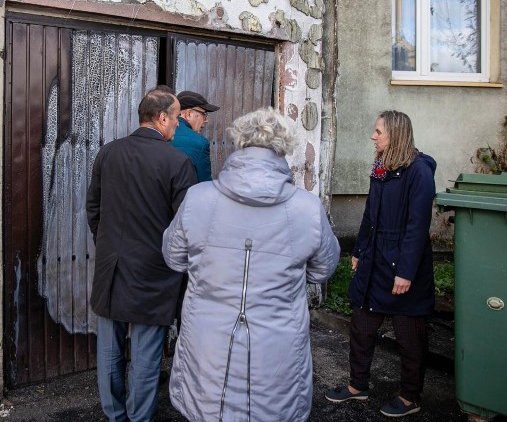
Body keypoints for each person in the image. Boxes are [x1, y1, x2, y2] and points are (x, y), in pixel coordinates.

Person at [162, 107, 340, 422]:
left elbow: (174, 257)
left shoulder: (198, 199)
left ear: (239, 143)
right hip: (277, 348)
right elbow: (322, 269)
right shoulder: (308, 209)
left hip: (208, 348)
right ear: (283, 147)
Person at [87, 87, 197, 422]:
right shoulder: (178, 162)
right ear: (162, 118)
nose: (179, 125)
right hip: (155, 273)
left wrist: (107, 245)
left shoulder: (108, 153)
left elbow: (94, 209)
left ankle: (115, 415)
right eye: (177, 117)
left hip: (111, 269)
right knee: (147, 357)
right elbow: (186, 226)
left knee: (109, 351)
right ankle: (139, 418)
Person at [325, 110, 437, 418]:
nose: (373, 136)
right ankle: (356, 386)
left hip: (403, 266)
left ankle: (409, 396)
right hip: (374, 260)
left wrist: (405, 272)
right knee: (361, 328)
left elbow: (417, 227)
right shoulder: (380, 167)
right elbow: (370, 216)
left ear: (395, 135)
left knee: (409, 336)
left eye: (378, 132)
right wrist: (359, 250)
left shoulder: (419, 172)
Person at [171, 91, 219, 182]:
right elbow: (204, 186)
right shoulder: (200, 143)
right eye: (204, 114)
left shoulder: (160, 133)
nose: (206, 120)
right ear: (188, 114)